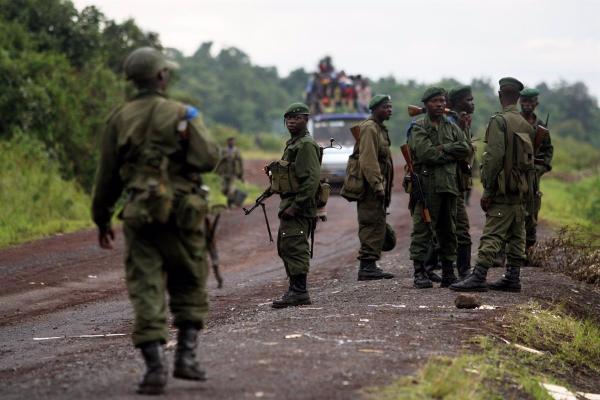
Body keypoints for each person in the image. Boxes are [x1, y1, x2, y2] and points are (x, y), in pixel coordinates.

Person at [91, 47, 220, 395]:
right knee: (190, 280)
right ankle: (187, 359)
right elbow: (209, 157)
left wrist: (101, 219)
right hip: (183, 214)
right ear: (162, 76)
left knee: (145, 287)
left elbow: (106, 179)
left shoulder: (119, 118)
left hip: (139, 216)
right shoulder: (183, 113)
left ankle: (153, 370)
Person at [450, 77, 534, 292]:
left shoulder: (499, 121)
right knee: (516, 232)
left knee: (493, 232)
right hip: (521, 187)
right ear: (517, 97)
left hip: (503, 188)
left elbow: (494, 158)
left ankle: (478, 277)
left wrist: (488, 188)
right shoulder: (526, 123)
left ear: (500, 95)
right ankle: (512, 277)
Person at [408, 88, 470, 288]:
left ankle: (448, 272)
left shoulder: (451, 126)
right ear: (426, 104)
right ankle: (419, 272)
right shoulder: (419, 127)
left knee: (448, 230)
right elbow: (426, 154)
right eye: (435, 101)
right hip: (427, 186)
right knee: (423, 229)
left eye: (442, 101)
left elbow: (466, 147)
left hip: (449, 185)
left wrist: (443, 149)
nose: (440, 104)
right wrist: (450, 153)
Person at [270, 102, 321, 308]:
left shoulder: (306, 144)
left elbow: (311, 179)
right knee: (288, 246)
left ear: (306, 119)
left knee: (295, 245)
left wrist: (296, 206)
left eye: (297, 118)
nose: (292, 121)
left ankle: (299, 292)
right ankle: (295, 290)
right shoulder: (294, 143)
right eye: (289, 118)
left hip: (298, 205)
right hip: (290, 202)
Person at [353, 94, 395, 281]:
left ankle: (371, 264)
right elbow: (368, 159)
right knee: (370, 223)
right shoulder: (370, 128)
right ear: (375, 109)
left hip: (377, 185)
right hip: (370, 186)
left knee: (377, 222)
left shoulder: (379, 128)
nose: (389, 110)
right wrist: (377, 185)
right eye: (385, 107)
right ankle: (367, 266)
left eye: (390, 106)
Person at [519, 87, 553, 254]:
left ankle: (528, 251)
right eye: (524, 101)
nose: (527, 104)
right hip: (516, 175)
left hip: (533, 177)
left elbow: (548, 151)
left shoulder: (541, 126)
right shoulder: (514, 121)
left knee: (531, 214)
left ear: (536, 103)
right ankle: (505, 253)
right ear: (519, 101)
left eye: (530, 101)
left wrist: (539, 169)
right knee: (512, 211)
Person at [447, 86, 476, 279]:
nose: (472, 103)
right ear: (458, 102)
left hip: (456, 182)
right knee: (454, 228)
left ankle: (461, 269)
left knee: (457, 228)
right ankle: (459, 271)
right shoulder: (450, 123)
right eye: (469, 100)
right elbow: (460, 151)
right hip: (448, 183)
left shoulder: (461, 122)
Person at [214, 136, 244, 207]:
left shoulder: (237, 151)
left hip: (233, 173)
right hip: (225, 172)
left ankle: (229, 204)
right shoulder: (224, 150)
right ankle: (235, 195)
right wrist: (217, 171)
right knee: (223, 190)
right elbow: (219, 161)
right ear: (227, 142)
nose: (232, 142)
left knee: (230, 189)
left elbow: (240, 162)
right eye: (230, 141)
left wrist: (241, 174)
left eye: (233, 141)